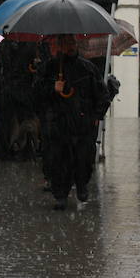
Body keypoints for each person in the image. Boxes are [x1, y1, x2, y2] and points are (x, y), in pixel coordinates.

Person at [34, 35, 110, 210]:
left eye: (73, 43)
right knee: (59, 161)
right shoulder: (49, 69)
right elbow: (37, 95)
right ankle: (60, 195)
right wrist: (52, 88)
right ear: (59, 46)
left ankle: (81, 185)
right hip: (58, 125)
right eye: (66, 43)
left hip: (82, 125)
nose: (70, 47)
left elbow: (102, 95)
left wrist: (96, 116)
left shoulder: (87, 68)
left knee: (83, 160)